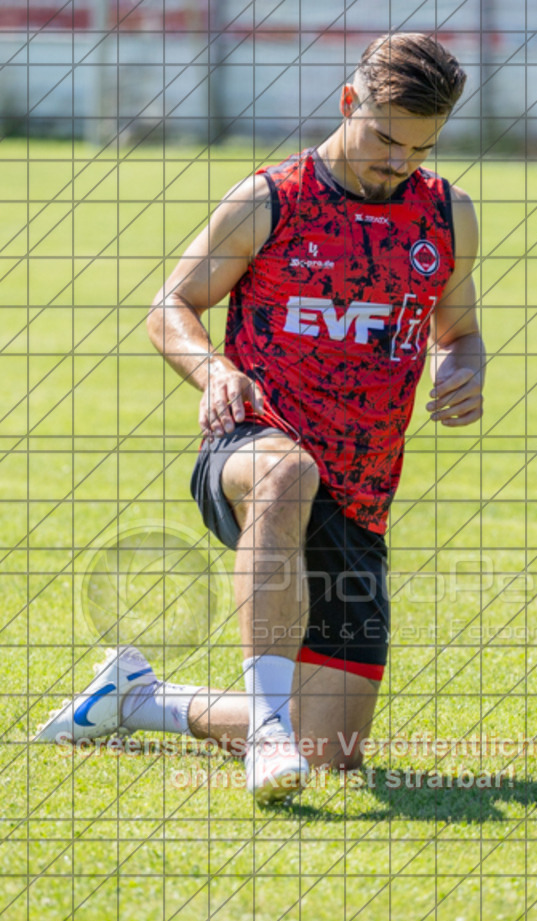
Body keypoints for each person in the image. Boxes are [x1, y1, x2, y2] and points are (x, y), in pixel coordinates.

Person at [33, 33, 485, 805]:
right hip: (250, 450)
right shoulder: (272, 198)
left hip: (360, 498)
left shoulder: (445, 215)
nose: (397, 161)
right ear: (349, 103)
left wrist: (463, 370)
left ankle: (139, 698)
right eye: (383, 138)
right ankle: (268, 732)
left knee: (333, 750)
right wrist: (213, 370)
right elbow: (169, 305)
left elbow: (459, 331)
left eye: (419, 147)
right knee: (288, 468)